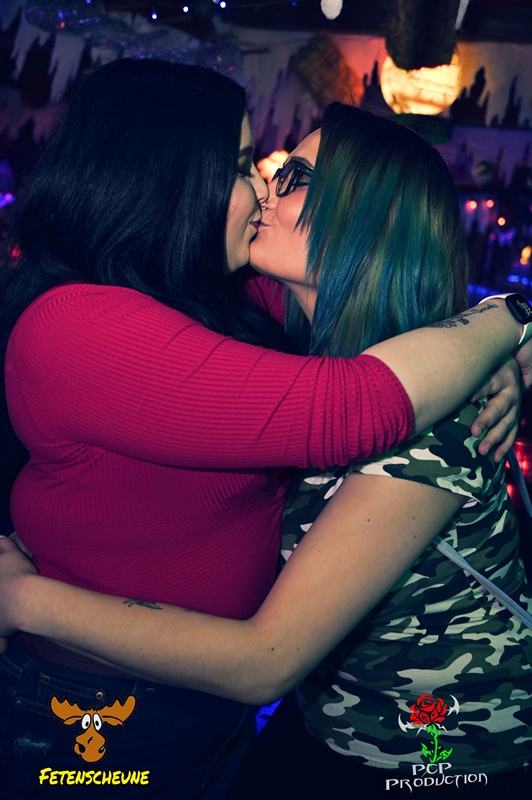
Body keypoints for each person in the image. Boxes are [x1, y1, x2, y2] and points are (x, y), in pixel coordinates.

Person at [1, 99, 531, 800]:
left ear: (371, 221)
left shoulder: (431, 411)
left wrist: (22, 598)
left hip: (437, 754)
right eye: (257, 169)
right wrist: (506, 323)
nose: (263, 189)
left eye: (293, 177)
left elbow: (264, 661)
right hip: (313, 723)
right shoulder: (303, 344)